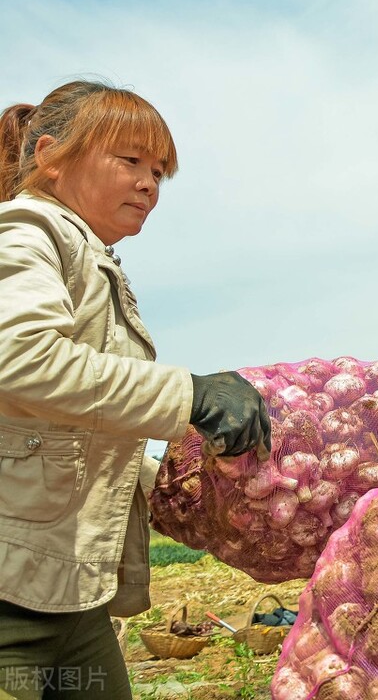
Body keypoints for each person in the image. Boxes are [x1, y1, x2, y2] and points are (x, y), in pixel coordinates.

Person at [0, 80, 272, 700]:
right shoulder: (27, 232)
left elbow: (79, 424)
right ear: (51, 155)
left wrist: (177, 485)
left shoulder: (94, 257)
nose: (150, 184)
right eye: (131, 161)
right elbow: (19, 358)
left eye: (159, 172)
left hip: (68, 592)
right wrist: (190, 395)